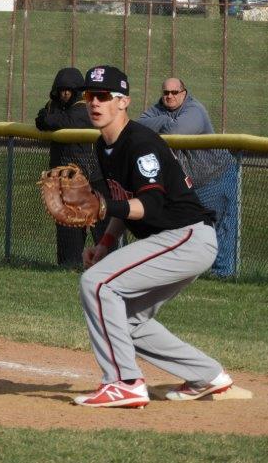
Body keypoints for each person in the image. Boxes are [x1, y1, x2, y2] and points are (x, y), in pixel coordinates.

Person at [73, 65, 233, 408]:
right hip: (174, 241)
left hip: (184, 236)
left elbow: (148, 204)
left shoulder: (140, 143)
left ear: (124, 101)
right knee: (126, 318)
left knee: (97, 285)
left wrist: (103, 206)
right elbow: (122, 198)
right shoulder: (105, 146)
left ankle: (124, 382)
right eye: (90, 96)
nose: (95, 103)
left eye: (103, 96)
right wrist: (104, 243)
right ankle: (207, 375)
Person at [137, 78, 239, 277]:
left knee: (221, 228)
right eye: (166, 92)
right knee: (189, 228)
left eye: (175, 92)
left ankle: (223, 276)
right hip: (190, 182)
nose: (169, 96)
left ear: (184, 93)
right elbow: (137, 126)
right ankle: (190, 271)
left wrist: (163, 123)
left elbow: (177, 131)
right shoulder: (159, 109)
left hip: (217, 174)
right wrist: (166, 119)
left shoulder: (194, 109)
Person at [36, 67, 110, 268]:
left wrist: (49, 119)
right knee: (68, 227)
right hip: (64, 180)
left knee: (102, 227)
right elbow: (40, 119)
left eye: (69, 89)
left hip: (92, 177)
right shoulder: (54, 106)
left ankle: (112, 265)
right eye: (61, 90)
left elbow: (68, 121)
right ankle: (69, 265)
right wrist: (47, 118)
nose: (64, 93)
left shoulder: (85, 107)